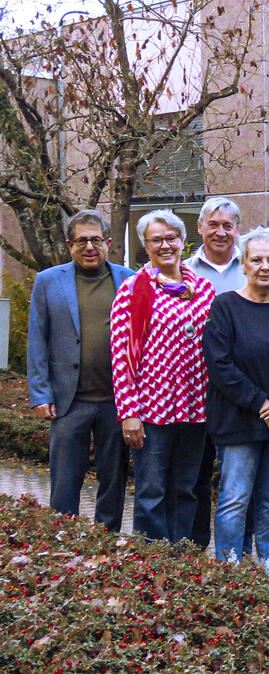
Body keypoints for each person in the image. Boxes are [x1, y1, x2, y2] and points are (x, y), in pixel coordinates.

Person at [204, 227, 269, 580]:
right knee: (235, 498)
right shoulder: (225, 306)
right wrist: (264, 405)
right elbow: (219, 364)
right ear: (244, 264)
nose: (265, 266)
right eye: (257, 259)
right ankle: (228, 564)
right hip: (238, 419)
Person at [110, 209, 216, 543]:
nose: (166, 245)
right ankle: (153, 560)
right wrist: (129, 414)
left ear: (184, 242)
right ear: (146, 245)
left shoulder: (204, 288)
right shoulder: (132, 290)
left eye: (172, 238)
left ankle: (182, 557)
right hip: (152, 411)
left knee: (186, 489)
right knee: (151, 491)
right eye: (157, 240)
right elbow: (121, 357)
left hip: (195, 408)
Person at [27, 210, 133, 531]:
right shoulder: (48, 281)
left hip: (117, 401)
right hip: (67, 401)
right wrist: (40, 393)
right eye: (81, 241)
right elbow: (37, 338)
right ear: (70, 245)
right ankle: (64, 539)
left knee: (113, 480)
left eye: (96, 240)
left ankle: (106, 539)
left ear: (108, 243)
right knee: (65, 481)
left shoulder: (129, 279)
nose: (89, 247)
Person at [186, 196, 249, 550]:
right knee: (194, 477)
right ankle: (194, 548)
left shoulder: (253, 267)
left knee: (238, 481)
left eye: (228, 225)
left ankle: (237, 552)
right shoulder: (182, 272)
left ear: (237, 229)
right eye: (214, 224)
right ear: (200, 228)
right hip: (194, 394)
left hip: (240, 396)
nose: (221, 232)